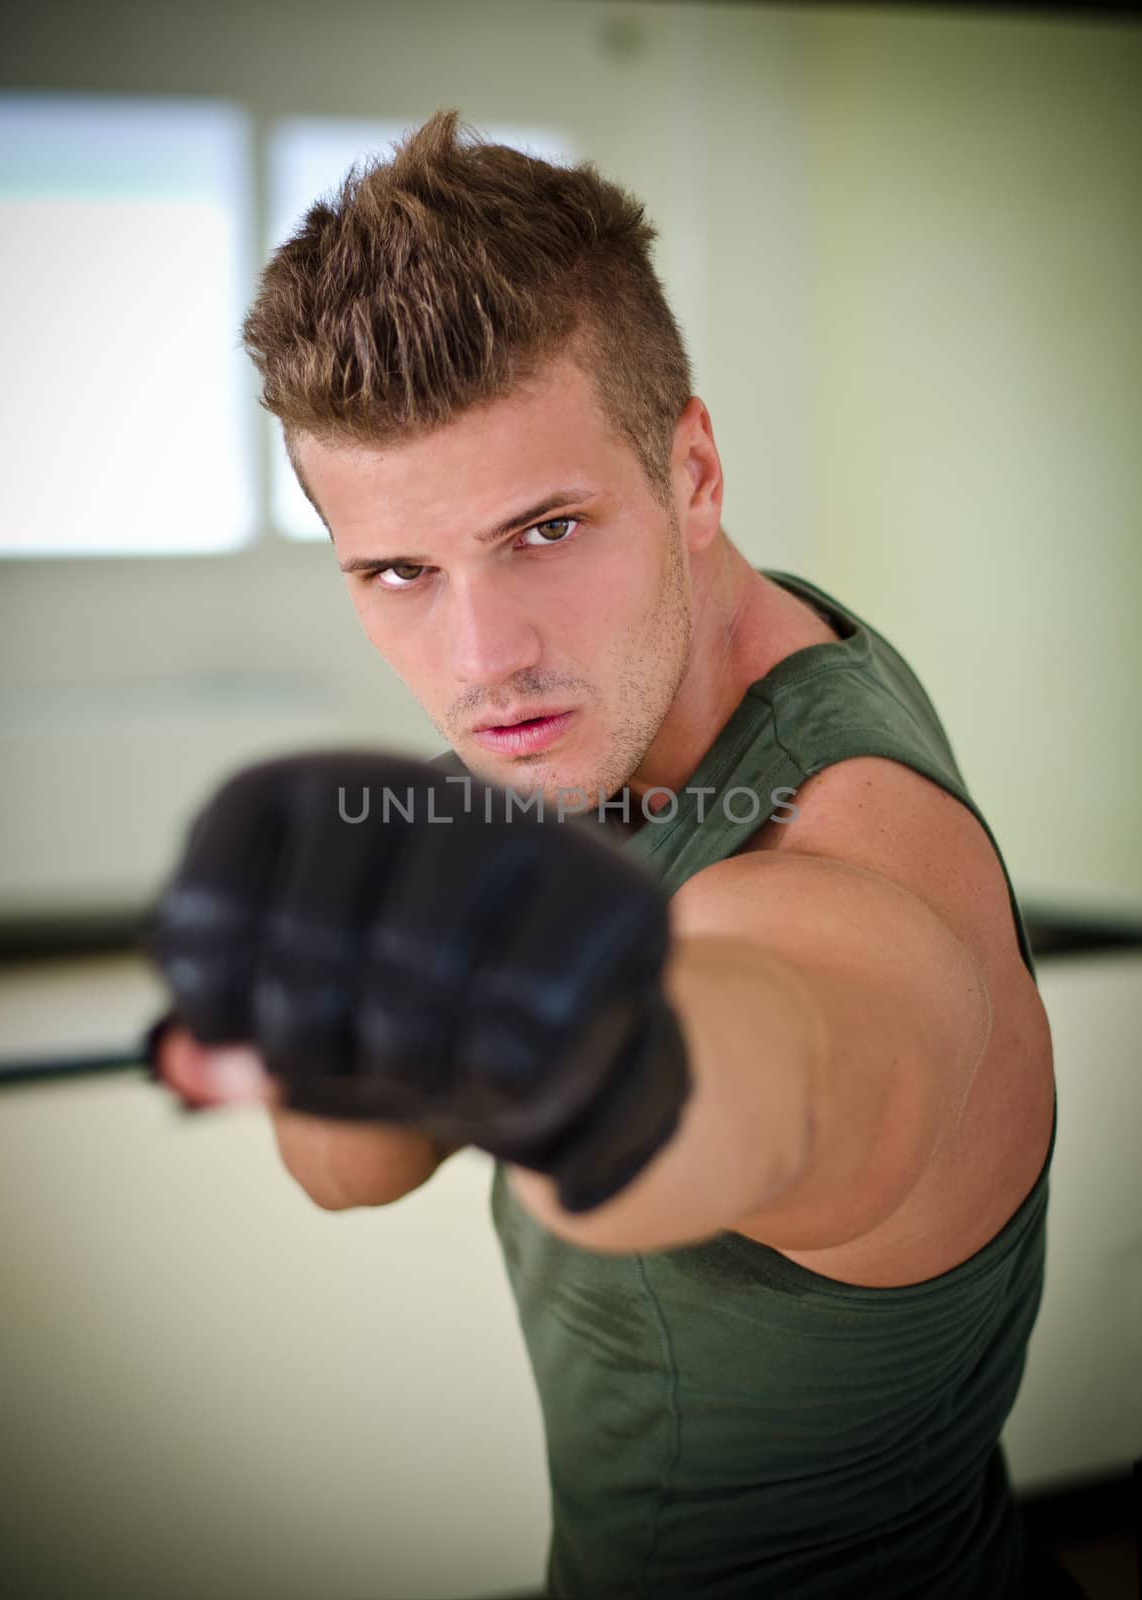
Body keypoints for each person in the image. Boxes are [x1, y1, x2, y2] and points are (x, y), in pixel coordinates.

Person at [145, 111, 1067, 1597]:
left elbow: (796, 1053)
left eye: (548, 529)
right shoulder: (614, 718)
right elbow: (347, 1170)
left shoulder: (856, 863)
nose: (483, 658)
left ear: (692, 469)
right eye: (398, 572)